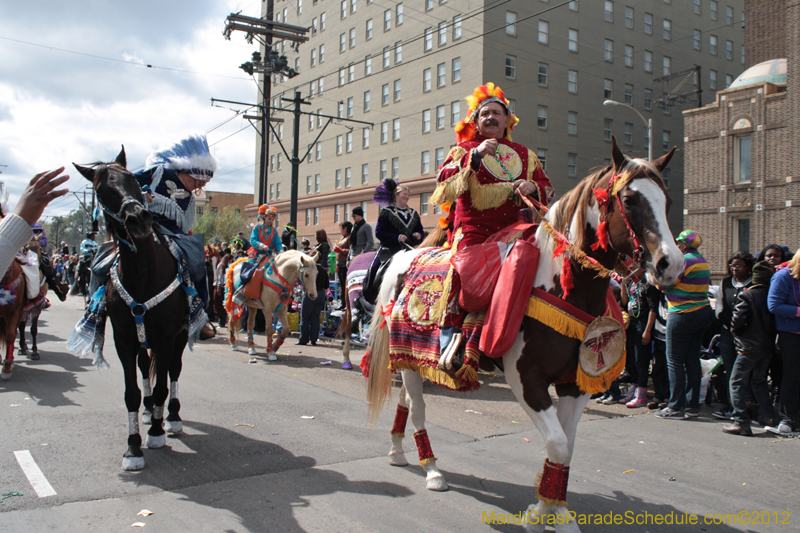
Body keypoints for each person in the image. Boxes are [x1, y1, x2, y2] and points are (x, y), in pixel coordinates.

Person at [429, 82, 553, 353]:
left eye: (497, 113)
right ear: (475, 122)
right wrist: (474, 156)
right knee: (461, 275)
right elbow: (443, 183)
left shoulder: (526, 154)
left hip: (517, 231)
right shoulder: (463, 150)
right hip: (474, 231)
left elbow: (548, 188)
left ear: (508, 120)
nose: (491, 117)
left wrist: (533, 187)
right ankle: (449, 338)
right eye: (484, 114)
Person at [131, 134, 217, 340]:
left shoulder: (189, 195)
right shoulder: (157, 171)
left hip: (176, 235)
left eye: (203, 184)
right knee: (103, 260)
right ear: (187, 171)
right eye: (198, 181)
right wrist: (140, 194)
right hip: (145, 227)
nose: (199, 187)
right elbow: (124, 182)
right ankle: (95, 309)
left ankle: (199, 314)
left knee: (199, 262)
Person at [656, 230, 715, 420]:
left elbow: (665, 284)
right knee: (692, 359)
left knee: (674, 361)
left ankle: (675, 407)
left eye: (678, 243)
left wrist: (656, 279)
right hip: (702, 311)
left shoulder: (682, 261)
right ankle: (692, 406)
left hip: (682, 313)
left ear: (683, 244)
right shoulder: (702, 260)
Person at [723, 261, 776, 436]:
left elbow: (737, 320)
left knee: (736, 382)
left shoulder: (748, 295)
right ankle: (768, 416)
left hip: (748, 346)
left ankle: (741, 421)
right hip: (767, 346)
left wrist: (737, 334)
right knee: (759, 380)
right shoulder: (772, 295)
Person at [362, 179, 425, 304]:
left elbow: (420, 230)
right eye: (404, 194)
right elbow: (379, 232)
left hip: (410, 249)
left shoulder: (413, 213)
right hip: (390, 248)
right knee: (374, 268)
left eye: (408, 195)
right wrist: (397, 237)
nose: (407, 197)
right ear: (396, 195)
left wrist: (419, 235)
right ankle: (366, 296)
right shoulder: (386, 212)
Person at [713, 251, 755, 419]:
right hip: (727, 332)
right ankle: (732, 406)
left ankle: (748, 407)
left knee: (744, 373)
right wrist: (726, 321)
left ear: (749, 267)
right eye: (733, 265)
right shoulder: (725, 283)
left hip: (747, 336)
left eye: (740, 266)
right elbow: (719, 305)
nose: (735, 269)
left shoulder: (754, 284)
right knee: (730, 370)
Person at [766, 248, 800, 435]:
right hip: (790, 333)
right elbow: (774, 305)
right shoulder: (783, 276)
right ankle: (788, 419)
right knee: (792, 376)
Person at [334, 221, 352, 309]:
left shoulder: (349, 238)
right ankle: (342, 302)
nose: (340, 230)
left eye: (341, 229)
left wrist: (340, 250)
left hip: (345, 263)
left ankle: (345, 303)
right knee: (341, 284)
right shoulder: (342, 238)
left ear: (346, 228)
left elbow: (351, 250)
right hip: (340, 262)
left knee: (345, 284)